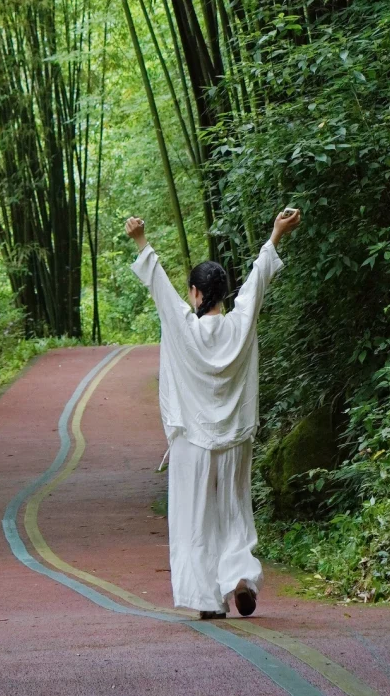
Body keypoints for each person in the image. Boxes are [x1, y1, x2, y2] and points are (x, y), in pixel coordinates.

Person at [124, 206, 302, 620]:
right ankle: (239, 578)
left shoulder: (184, 328)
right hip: (236, 437)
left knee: (195, 519)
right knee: (234, 510)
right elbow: (258, 280)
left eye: (191, 291)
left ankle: (207, 599)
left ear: (198, 294)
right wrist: (276, 234)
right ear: (221, 293)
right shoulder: (240, 325)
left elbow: (160, 290)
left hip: (193, 441)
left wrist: (140, 239)